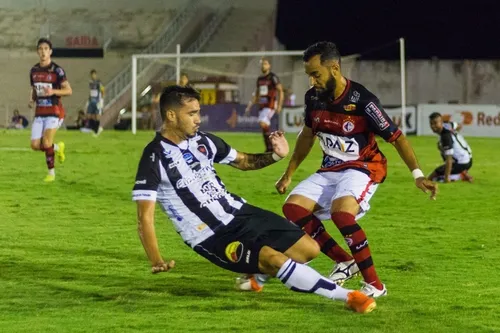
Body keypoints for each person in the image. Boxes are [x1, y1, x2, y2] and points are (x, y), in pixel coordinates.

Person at [131, 85, 376, 314]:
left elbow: (243, 161)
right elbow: (145, 217)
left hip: (240, 212)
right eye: (192, 114)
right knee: (274, 258)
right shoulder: (154, 157)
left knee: (309, 249)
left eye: (198, 113)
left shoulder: (203, 141)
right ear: (171, 116)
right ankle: (348, 297)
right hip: (211, 234)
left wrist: (275, 155)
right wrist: (157, 260)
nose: (198, 119)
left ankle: (256, 277)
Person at [241, 42, 438, 298]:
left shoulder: (363, 101)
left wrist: (418, 175)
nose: (312, 81)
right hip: (330, 169)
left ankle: (375, 286)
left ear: (334, 68)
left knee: (342, 214)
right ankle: (345, 261)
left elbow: (397, 137)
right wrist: (289, 172)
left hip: (363, 168)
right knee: (293, 207)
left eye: (316, 74)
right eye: (309, 75)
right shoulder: (313, 98)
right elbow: (307, 135)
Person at [29, 38, 71, 182]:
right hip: (40, 112)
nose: (43, 52)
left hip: (55, 111)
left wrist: (53, 91)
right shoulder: (34, 71)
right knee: (35, 145)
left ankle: (51, 174)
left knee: (46, 142)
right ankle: (57, 148)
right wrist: (32, 99)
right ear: (37, 51)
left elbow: (68, 90)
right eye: (40, 49)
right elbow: (34, 89)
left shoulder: (57, 71)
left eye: (46, 49)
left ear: (50, 52)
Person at [245, 58, 284, 152]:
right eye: (262, 64)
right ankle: (270, 147)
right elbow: (257, 94)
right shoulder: (260, 79)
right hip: (262, 106)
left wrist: (279, 105)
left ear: (269, 66)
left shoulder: (273, 77)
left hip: (270, 105)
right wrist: (249, 106)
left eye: (265, 64)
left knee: (263, 123)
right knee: (264, 127)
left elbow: (280, 90)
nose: (263, 66)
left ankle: (271, 146)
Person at [428, 112, 473, 183]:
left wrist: (446, 178)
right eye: (431, 124)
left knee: (431, 178)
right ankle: (461, 173)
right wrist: (455, 134)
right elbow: (459, 126)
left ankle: (460, 175)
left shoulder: (445, 137)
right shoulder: (448, 125)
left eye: (435, 123)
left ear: (441, 122)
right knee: (441, 147)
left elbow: (449, 159)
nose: (433, 126)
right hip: (468, 158)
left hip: (462, 163)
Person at [86, 69, 105, 136]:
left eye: (94, 74)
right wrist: (88, 100)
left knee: (97, 116)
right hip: (91, 101)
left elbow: (103, 90)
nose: (93, 76)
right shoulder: (90, 82)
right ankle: (95, 129)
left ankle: (96, 131)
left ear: (96, 75)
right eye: (92, 75)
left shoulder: (98, 82)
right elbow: (91, 92)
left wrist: (101, 100)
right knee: (89, 115)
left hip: (97, 101)